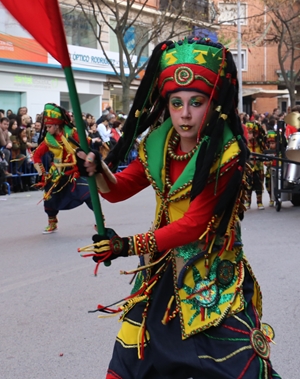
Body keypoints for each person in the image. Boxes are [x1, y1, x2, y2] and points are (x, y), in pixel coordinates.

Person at [77, 38, 279, 379]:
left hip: (211, 273)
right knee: (130, 359)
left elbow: (193, 226)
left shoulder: (225, 153)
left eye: (196, 102)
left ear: (212, 105)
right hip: (160, 272)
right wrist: (98, 171)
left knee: (238, 367)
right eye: (176, 102)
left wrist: (126, 245)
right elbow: (119, 189)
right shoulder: (160, 143)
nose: (185, 114)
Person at [30, 103, 93, 233]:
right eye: (46, 127)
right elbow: (36, 155)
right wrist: (42, 173)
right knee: (50, 199)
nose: (47, 129)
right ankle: (52, 223)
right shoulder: (48, 140)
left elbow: (86, 144)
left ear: (56, 125)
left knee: (87, 194)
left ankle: (100, 220)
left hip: (75, 171)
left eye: (48, 127)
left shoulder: (72, 133)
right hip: (57, 174)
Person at [245, 121, 266, 210]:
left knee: (258, 184)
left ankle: (259, 202)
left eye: (250, 133)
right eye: (247, 133)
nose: (248, 135)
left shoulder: (259, 143)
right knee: (248, 185)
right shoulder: (245, 143)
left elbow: (265, 150)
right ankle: (248, 202)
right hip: (248, 167)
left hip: (258, 166)